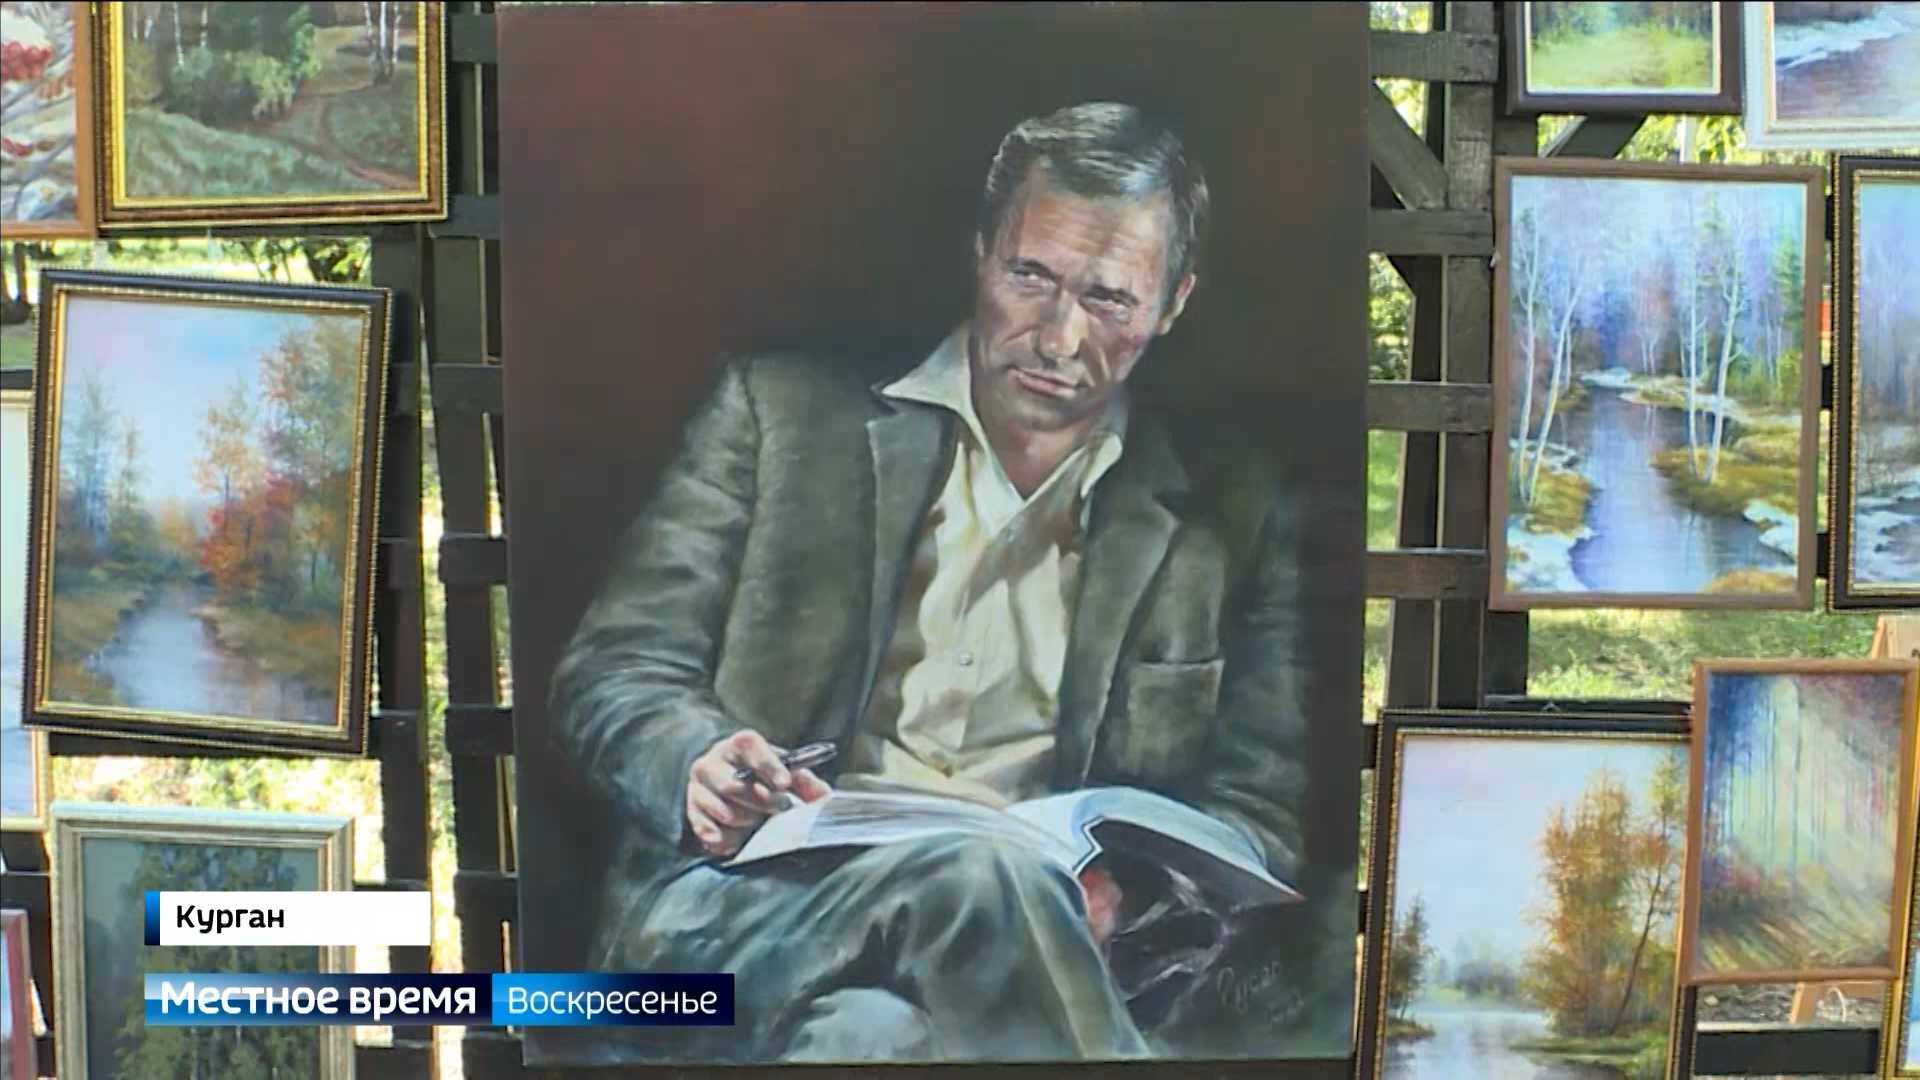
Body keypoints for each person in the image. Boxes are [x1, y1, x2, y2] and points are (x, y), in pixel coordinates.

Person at [548, 101, 1313, 1062]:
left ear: (1173, 303)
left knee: (866, 1039)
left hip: (1035, 945)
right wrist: (696, 761)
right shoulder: (780, 414)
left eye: (1109, 299)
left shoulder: (1231, 516)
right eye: (1031, 276)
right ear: (981, 252)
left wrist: (1132, 894)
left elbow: (1259, 815)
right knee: (977, 877)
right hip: (737, 918)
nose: (1057, 337)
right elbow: (614, 668)